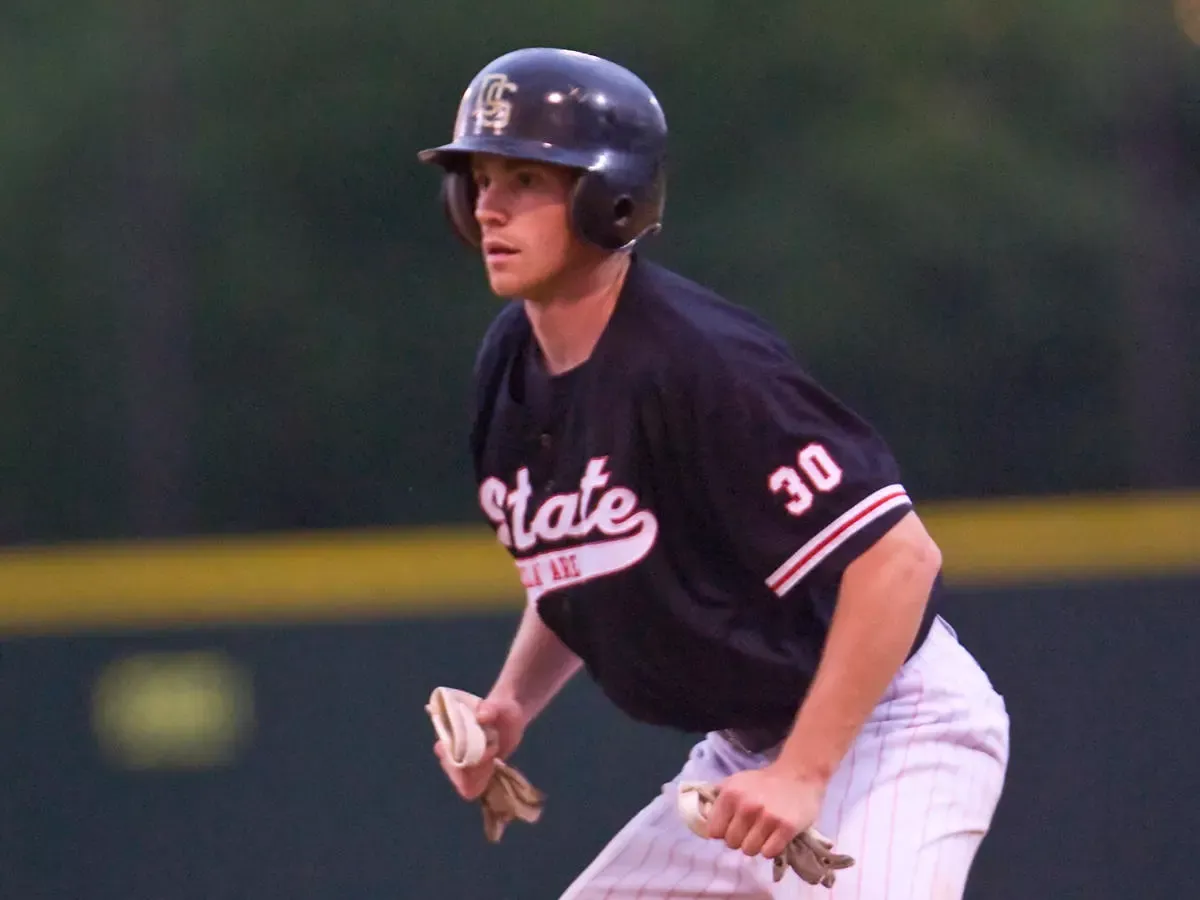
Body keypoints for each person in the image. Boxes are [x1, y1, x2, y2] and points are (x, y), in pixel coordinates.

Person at [417, 47, 1010, 899]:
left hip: (888, 730)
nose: (489, 206)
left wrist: (804, 773)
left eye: (525, 180)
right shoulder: (513, 362)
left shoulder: (703, 365)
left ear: (608, 200)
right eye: (476, 181)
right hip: (745, 758)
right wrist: (512, 702)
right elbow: (584, 556)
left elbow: (898, 560)